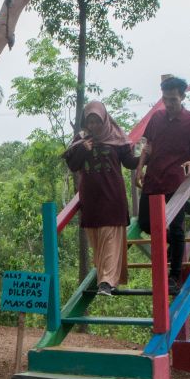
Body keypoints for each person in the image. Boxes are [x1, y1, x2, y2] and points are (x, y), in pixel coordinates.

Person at [136, 75, 190, 295]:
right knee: (146, 223)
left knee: (176, 228)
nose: (169, 103)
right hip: (153, 179)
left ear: (182, 97)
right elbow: (148, 145)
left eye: (173, 99)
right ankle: (171, 248)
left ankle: (174, 276)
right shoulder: (156, 118)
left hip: (176, 181)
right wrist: (139, 168)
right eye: (166, 99)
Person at [63, 101, 140, 296]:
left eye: (97, 121)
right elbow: (73, 165)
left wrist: (145, 156)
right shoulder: (80, 139)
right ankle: (103, 279)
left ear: (104, 119)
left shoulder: (116, 137)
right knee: (97, 242)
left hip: (112, 196)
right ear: (85, 122)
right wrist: (82, 150)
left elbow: (130, 163)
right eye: (90, 122)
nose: (94, 126)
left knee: (110, 239)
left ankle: (107, 282)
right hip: (90, 199)